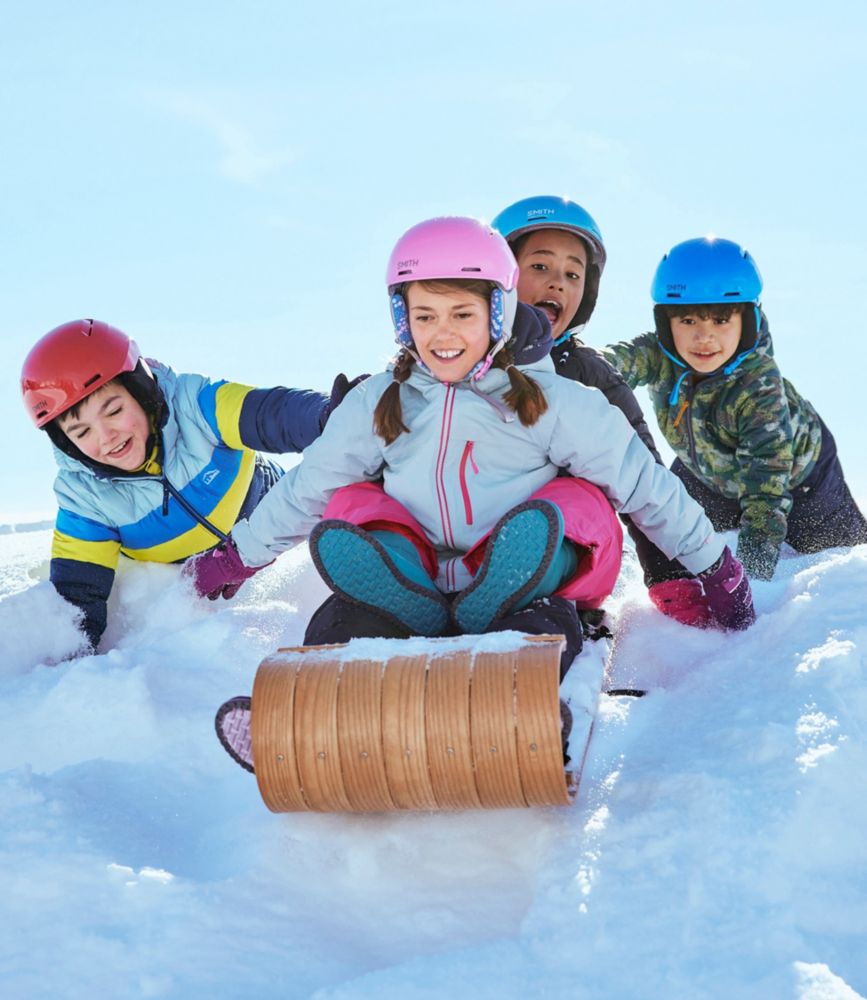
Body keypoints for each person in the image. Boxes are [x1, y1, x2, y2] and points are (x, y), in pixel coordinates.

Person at [189, 217, 754, 666]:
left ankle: (514, 628)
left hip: (532, 585)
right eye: (425, 314)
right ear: (402, 319)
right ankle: (347, 672)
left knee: (578, 514)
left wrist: (713, 566)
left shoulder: (554, 400)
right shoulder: (380, 400)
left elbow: (645, 486)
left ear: (499, 313)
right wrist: (239, 556)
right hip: (417, 579)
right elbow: (308, 487)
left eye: (463, 312)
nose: (444, 331)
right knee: (344, 549)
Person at [20, 318, 356, 652]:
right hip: (205, 581)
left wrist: (325, 415)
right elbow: (78, 594)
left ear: (141, 390)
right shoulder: (83, 498)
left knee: (340, 492)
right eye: (82, 433)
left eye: (114, 410)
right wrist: (72, 662)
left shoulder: (194, 404)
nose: (106, 437)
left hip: (271, 514)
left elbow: (268, 413)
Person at [601, 236, 867, 607]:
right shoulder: (659, 355)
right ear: (665, 322)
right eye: (688, 319)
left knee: (844, 564)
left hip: (801, 478)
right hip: (707, 469)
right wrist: (568, 369)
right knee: (670, 523)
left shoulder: (759, 389)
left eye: (721, 319)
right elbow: (610, 365)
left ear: (748, 320)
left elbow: (765, 496)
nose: (703, 336)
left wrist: (748, 584)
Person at [491, 196, 703, 625]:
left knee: (580, 498)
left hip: (563, 554)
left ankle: (541, 603)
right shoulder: (457, 358)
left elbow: (644, 477)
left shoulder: (591, 375)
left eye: (573, 274)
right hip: (461, 538)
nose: (558, 284)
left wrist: (671, 574)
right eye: (540, 266)